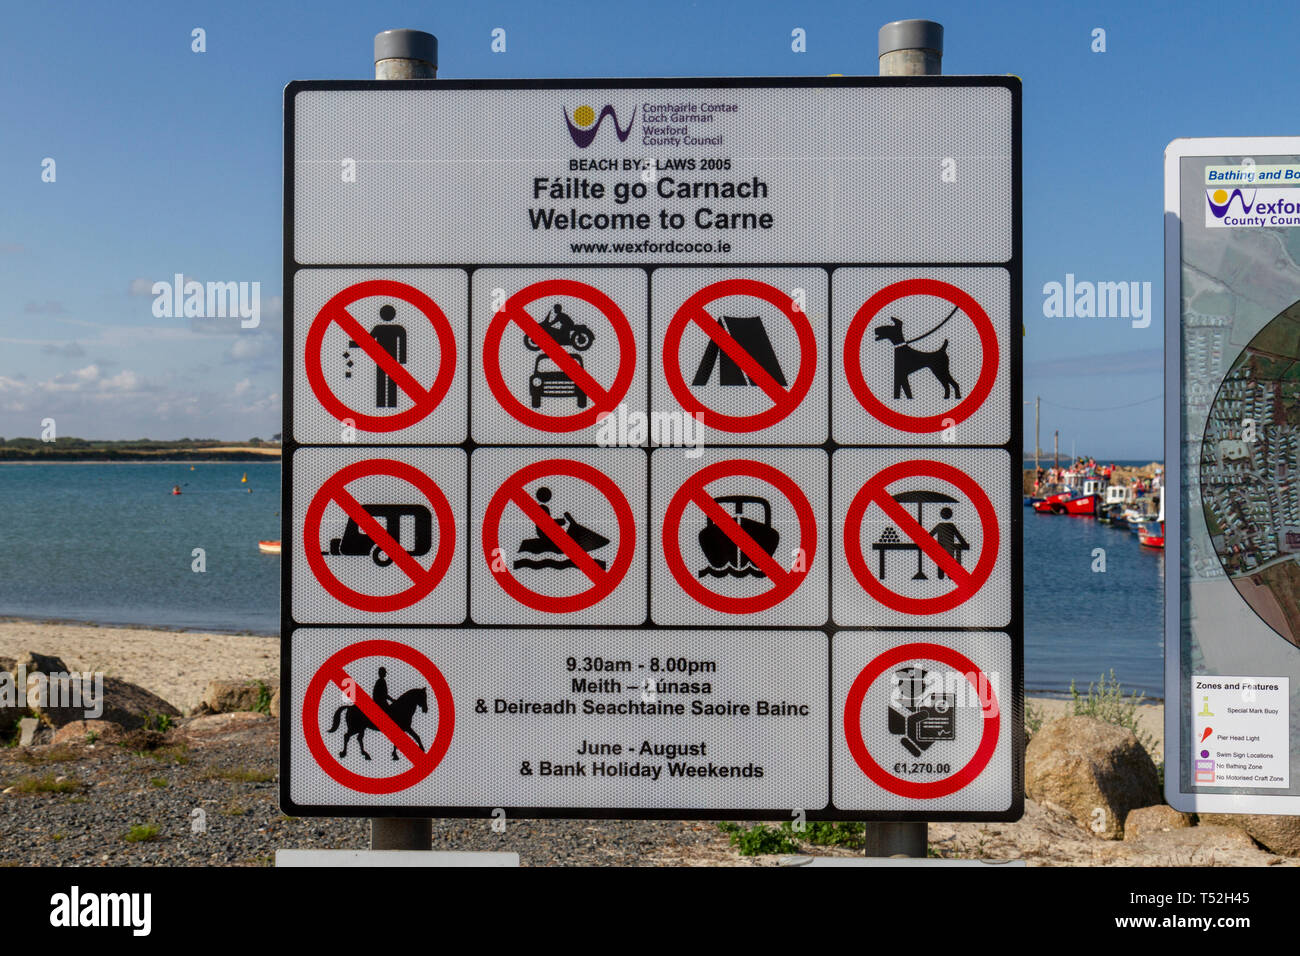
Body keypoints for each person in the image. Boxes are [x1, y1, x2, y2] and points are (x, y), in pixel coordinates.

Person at [929, 507, 969, 579]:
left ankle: (942, 575)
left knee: (941, 562)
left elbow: (929, 536)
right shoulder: (950, 526)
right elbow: (958, 536)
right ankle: (948, 575)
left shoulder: (940, 526)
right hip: (949, 547)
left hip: (941, 548)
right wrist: (964, 543)